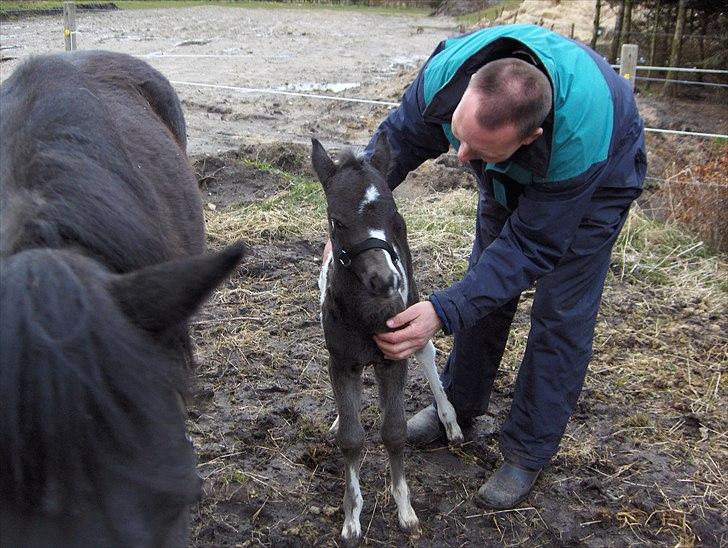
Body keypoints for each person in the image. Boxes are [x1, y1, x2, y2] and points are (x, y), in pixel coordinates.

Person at [364, 24, 647, 509]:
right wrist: (355, 221)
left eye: (477, 149)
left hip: (599, 180)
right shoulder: (445, 77)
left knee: (561, 313)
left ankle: (526, 452)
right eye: (458, 135)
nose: (459, 156)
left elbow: (531, 247)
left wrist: (441, 312)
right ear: (467, 90)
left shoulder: (579, 138)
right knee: (485, 284)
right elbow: (397, 143)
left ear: (529, 136)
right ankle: (459, 404)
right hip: (510, 169)